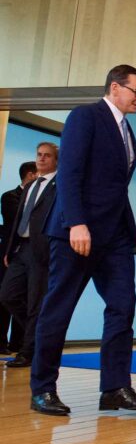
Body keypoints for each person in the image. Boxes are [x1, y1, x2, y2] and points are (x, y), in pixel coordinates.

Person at [29, 64, 136, 416]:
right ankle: (42, 389)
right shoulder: (85, 117)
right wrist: (77, 223)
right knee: (58, 309)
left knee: (122, 305)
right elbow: (69, 172)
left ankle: (114, 387)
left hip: (115, 236)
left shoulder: (126, 130)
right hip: (78, 232)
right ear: (116, 88)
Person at [0, 142, 58, 368]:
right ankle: (40, 335)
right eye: (39, 155)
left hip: (41, 250)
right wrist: (9, 249)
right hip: (19, 249)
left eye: (47, 156)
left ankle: (28, 351)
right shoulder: (30, 187)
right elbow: (16, 221)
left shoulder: (58, 186)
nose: (41, 159)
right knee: (7, 295)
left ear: (55, 161)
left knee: (35, 302)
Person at [0, 161, 38, 354]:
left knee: (26, 298)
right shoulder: (10, 197)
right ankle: (1, 342)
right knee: (6, 297)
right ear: (30, 175)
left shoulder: (40, 198)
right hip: (9, 253)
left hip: (31, 254)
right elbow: (18, 219)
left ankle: (20, 342)